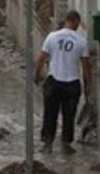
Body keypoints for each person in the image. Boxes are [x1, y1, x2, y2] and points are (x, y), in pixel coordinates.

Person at [36, 9, 92, 154]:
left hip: (53, 80)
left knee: (50, 113)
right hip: (72, 83)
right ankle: (66, 144)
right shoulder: (81, 41)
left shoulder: (52, 37)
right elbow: (86, 67)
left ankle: (47, 145)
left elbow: (41, 59)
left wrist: (37, 76)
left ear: (66, 20)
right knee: (69, 115)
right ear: (77, 23)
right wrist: (87, 87)